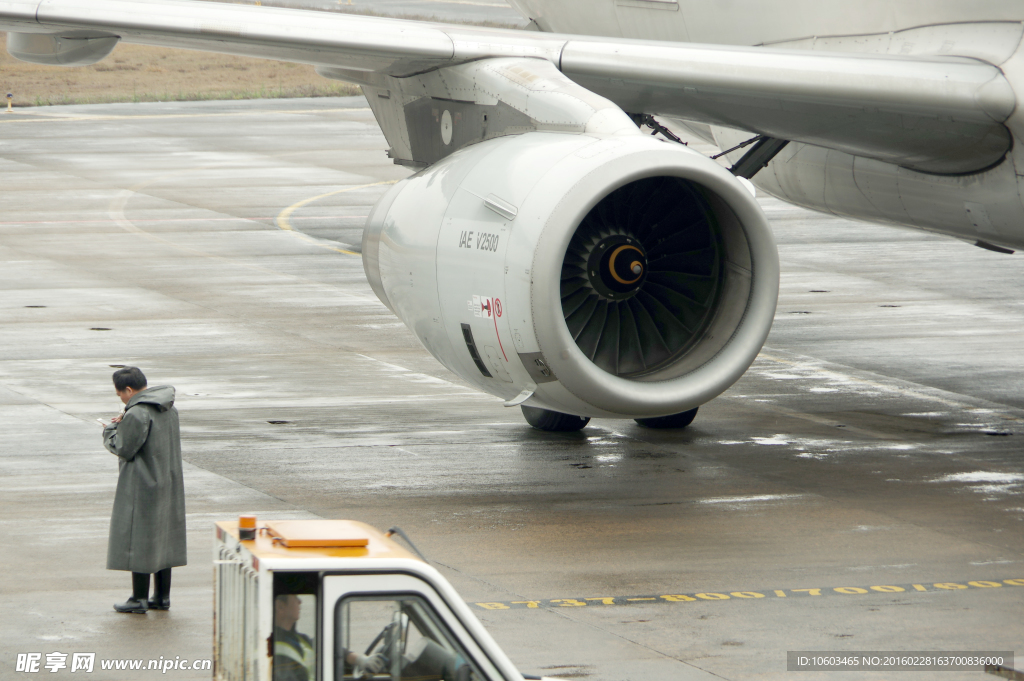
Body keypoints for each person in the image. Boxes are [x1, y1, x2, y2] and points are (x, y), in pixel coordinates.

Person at [102, 367, 186, 614]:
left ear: (128, 390)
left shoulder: (138, 413)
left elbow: (124, 448)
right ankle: (161, 597)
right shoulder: (168, 408)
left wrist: (110, 429)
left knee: (139, 538)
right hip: (167, 479)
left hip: (143, 483)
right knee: (164, 537)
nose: (120, 398)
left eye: (120, 394)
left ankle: (138, 598)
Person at [274, 594, 387, 681]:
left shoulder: (297, 639)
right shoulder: (278, 652)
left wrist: (360, 660)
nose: (300, 601)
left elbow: (328, 650)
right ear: (280, 606)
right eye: (294, 597)